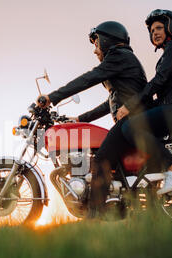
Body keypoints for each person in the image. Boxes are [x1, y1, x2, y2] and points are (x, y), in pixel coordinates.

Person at [35, 21, 148, 218]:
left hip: (133, 123)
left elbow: (89, 78)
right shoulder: (121, 61)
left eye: (96, 44)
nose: (95, 51)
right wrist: (79, 118)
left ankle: (94, 215)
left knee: (101, 161)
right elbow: (110, 103)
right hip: (132, 121)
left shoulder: (119, 56)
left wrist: (52, 97)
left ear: (106, 40)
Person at [120, 9, 172, 195]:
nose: (154, 33)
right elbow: (161, 92)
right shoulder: (169, 53)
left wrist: (131, 105)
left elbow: (159, 80)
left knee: (129, 128)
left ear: (171, 28)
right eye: (151, 31)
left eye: (159, 28)